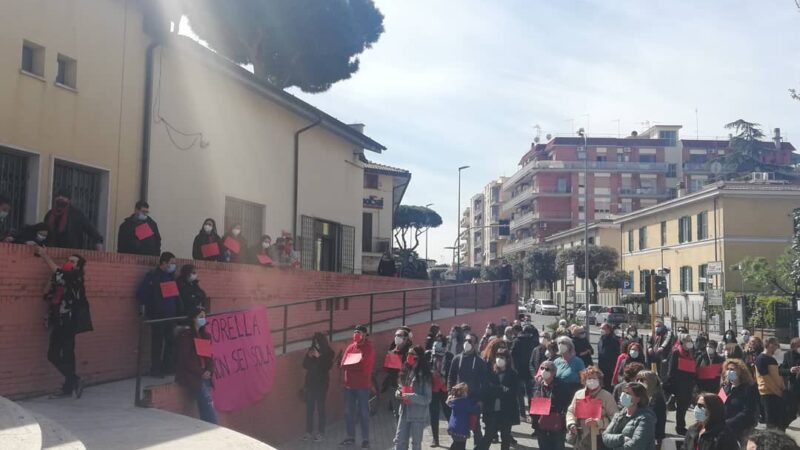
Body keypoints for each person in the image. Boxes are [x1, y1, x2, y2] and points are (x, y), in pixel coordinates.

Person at [35, 246, 91, 398]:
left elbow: (60, 273)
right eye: (68, 260)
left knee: (64, 354)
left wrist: (45, 255)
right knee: (56, 354)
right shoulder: (61, 278)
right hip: (59, 320)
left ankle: (70, 384)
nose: (69, 263)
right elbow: (46, 293)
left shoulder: (76, 277)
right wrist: (52, 277)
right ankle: (73, 382)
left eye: (73, 261)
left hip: (69, 321)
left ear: (78, 266)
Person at [136, 252, 181, 377]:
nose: (173, 265)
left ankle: (167, 367)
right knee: (157, 343)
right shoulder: (153, 277)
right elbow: (141, 293)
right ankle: (155, 369)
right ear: (164, 263)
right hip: (158, 316)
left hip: (171, 315)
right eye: (171, 263)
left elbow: (175, 297)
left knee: (170, 342)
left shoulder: (171, 277)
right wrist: (153, 307)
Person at [174, 306, 217, 424]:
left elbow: (208, 356)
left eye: (204, 316)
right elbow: (186, 359)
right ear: (193, 319)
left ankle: (208, 427)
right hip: (194, 375)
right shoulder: (186, 336)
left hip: (205, 375)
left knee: (207, 404)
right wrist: (201, 372)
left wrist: (209, 370)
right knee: (207, 401)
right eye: (200, 317)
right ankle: (214, 428)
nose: (203, 319)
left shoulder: (204, 335)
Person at [447, 333, 489, 446]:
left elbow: (484, 383)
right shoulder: (456, 359)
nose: (467, 343)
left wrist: (481, 400)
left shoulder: (480, 362)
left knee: (476, 429)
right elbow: (451, 377)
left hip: (473, 401)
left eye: (470, 341)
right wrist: (450, 393)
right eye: (466, 340)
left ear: (475, 344)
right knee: (459, 432)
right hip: (459, 400)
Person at [340, 325, 375, 449]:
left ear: (365, 334)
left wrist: (352, 365)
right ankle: (350, 437)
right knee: (349, 412)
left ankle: (365, 439)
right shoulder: (350, 347)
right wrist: (355, 364)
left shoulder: (368, 348)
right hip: (349, 386)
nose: (356, 334)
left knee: (363, 413)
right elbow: (343, 364)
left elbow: (364, 366)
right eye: (354, 332)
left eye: (358, 332)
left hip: (362, 386)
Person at [476, 349, 518, 450]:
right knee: (488, 436)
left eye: (502, 357)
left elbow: (513, 393)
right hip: (492, 410)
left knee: (505, 438)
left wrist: (499, 390)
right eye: (497, 357)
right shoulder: (491, 373)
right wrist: (502, 389)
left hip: (506, 411)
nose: (499, 359)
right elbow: (487, 390)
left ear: (507, 360)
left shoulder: (513, 374)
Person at [566, 366, 618, 450]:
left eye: (594, 378)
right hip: (581, 437)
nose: (592, 381)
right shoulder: (578, 394)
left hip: (599, 438)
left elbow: (615, 418)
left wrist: (598, 422)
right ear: (584, 380)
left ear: (599, 380)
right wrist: (571, 423)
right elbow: (571, 411)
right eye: (589, 378)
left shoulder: (607, 396)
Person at [393, 346, 432, 450]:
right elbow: (401, 387)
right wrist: (398, 392)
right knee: (399, 440)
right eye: (408, 354)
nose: (408, 357)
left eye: (411, 354)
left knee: (416, 444)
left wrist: (411, 396)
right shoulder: (406, 370)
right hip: (404, 411)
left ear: (417, 357)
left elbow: (427, 399)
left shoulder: (424, 375)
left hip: (418, 414)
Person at [601, 382, 656, 450]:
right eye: (623, 392)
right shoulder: (618, 415)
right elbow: (605, 437)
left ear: (638, 399)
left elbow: (636, 446)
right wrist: (622, 439)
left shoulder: (645, 418)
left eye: (628, 393)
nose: (623, 395)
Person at [530, 360, 571, 450]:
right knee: (543, 447)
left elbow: (567, 402)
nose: (544, 370)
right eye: (542, 368)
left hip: (556, 424)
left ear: (553, 372)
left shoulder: (562, 386)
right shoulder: (537, 385)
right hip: (541, 424)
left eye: (547, 369)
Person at [663, 333, 697, 435]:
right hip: (678, 385)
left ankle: (681, 426)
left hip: (688, 385)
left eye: (690, 340)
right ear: (682, 341)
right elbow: (671, 371)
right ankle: (680, 427)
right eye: (687, 340)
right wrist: (671, 386)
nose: (689, 342)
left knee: (684, 407)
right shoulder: (676, 353)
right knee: (680, 408)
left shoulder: (691, 354)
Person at [302, 332, 334, 442]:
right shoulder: (311, 350)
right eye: (314, 342)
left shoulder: (329, 352)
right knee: (309, 409)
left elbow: (327, 367)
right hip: (311, 383)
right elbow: (305, 365)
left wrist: (318, 356)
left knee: (320, 408)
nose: (316, 344)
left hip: (321, 385)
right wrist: (308, 356)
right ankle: (308, 431)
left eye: (317, 342)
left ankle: (321, 432)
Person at [721, 358, 759, 444]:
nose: (729, 371)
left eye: (732, 369)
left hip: (742, 429)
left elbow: (748, 411)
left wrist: (729, 423)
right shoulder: (725, 387)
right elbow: (719, 404)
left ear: (740, 371)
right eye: (727, 369)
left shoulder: (749, 388)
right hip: (724, 428)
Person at [756, 336, 786, 430]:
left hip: (774, 391)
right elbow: (766, 379)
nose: (777, 347)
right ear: (770, 345)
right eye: (776, 345)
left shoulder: (771, 358)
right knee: (771, 421)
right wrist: (778, 391)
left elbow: (778, 375)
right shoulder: (762, 358)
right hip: (769, 392)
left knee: (778, 420)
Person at [429, 336, 453, 447]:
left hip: (445, 389)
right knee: (434, 414)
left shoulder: (449, 357)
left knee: (449, 413)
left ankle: (455, 436)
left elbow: (453, 373)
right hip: (433, 389)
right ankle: (435, 438)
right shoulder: (429, 355)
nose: (437, 357)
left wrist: (445, 378)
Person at [383, 328, 413, 416]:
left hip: (404, 386)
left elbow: (411, 368)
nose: (396, 337)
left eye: (399, 335)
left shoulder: (410, 352)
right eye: (396, 335)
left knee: (405, 411)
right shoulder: (393, 350)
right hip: (393, 384)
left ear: (406, 338)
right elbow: (387, 367)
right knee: (396, 411)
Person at [512, 324, 539, 420]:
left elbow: (512, 356)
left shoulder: (516, 341)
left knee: (519, 394)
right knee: (532, 393)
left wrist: (514, 368)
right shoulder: (534, 342)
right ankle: (534, 416)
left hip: (519, 371)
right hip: (531, 371)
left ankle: (522, 414)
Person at [635, 370, 666, 446]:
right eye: (637, 379)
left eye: (642, 380)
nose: (639, 382)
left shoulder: (657, 399)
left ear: (651, 381)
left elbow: (656, 422)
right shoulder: (642, 396)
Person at [446, 383, 479, 450]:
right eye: (466, 391)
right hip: (461, 429)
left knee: (455, 444)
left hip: (453, 428)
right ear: (463, 393)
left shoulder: (454, 401)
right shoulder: (464, 402)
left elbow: (448, 401)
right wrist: (478, 405)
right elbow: (472, 408)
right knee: (460, 446)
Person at [779, 337, 800, 423]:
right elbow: (781, 370)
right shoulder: (787, 355)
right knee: (792, 408)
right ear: (793, 346)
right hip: (793, 386)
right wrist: (790, 370)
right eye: (798, 345)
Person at [598, 323, 621, 391]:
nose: (602, 330)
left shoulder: (614, 339)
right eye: (601, 328)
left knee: (610, 386)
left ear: (609, 329)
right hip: (602, 366)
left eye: (604, 328)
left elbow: (617, 353)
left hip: (611, 368)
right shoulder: (601, 339)